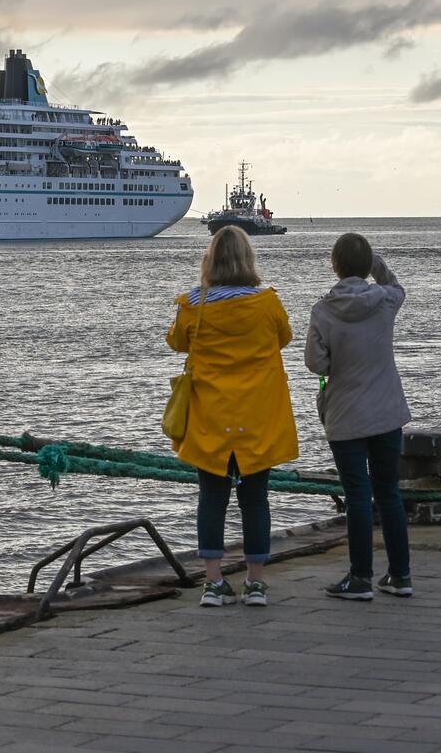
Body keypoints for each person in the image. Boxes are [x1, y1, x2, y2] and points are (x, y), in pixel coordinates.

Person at [171, 224, 299, 607]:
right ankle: (255, 582)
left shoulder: (194, 304)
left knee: (211, 499)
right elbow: (285, 338)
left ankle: (213, 583)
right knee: (255, 500)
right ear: (248, 259)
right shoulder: (267, 302)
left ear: (209, 260)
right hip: (257, 416)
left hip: (210, 416)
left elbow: (176, 342)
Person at [305, 232, 413, 600]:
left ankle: (360, 577)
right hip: (386, 411)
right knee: (389, 493)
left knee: (357, 495)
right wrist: (376, 263)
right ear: (367, 266)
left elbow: (315, 363)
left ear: (334, 266)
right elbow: (395, 284)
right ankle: (400, 575)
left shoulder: (323, 310)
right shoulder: (384, 301)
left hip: (346, 415)